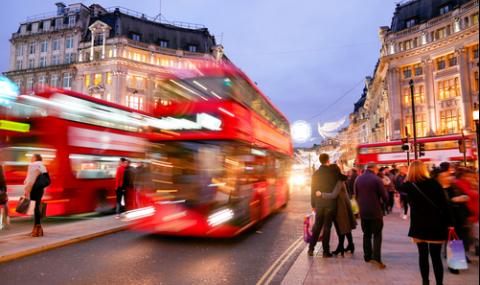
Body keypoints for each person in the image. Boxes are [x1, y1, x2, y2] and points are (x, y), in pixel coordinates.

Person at [400, 161, 453, 285]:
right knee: (436, 257)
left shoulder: (408, 186)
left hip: (419, 226)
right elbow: (444, 205)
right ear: (424, 170)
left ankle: (425, 282)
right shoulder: (434, 184)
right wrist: (450, 223)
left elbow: (402, 187)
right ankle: (439, 283)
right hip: (436, 225)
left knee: (422, 256)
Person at [354, 162, 388, 269]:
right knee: (377, 235)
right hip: (375, 211)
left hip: (363, 211)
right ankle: (377, 258)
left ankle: (367, 256)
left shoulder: (358, 179)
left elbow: (356, 195)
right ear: (374, 169)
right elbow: (385, 196)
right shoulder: (377, 179)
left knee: (366, 234)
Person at [317, 164, 357, 256]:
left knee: (342, 228)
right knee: (345, 227)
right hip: (342, 206)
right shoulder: (339, 179)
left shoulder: (339, 181)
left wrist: (321, 194)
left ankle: (341, 247)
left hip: (341, 207)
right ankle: (350, 245)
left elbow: (334, 194)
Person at [308, 153, 338, 258]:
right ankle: (326, 251)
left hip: (319, 203)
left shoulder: (315, 174)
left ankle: (311, 249)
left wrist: (313, 204)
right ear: (328, 160)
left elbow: (312, 190)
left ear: (320, 160)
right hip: (330, 204)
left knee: (317, 226)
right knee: (327, 227)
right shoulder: (332, 173)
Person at [24, 154, 48, 237]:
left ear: (35, 158)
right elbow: (45, 178)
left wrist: (27, 189)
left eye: (32, 157)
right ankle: (38, 228)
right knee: (36, 207)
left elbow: (30, 179)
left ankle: (37, 229)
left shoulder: (32, 165)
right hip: (40, 189)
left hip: (33, 188)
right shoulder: (43, 166)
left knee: (35, 208)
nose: (31, 159)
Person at [0, 164, 9, 229]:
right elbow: (3, 183)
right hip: (1, 192)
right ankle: (6, 220)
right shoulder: (2, 176)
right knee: (5, 204)